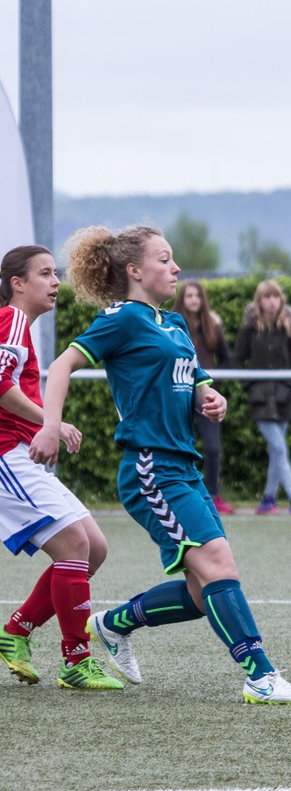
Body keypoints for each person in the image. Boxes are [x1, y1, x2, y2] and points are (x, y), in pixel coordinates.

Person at [32, 225, 291, 703]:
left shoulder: (175, 324)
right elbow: (61, 367)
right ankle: (259, 676)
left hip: (185, 467)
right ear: (135, 270)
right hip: (150, 470)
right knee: (219, 566)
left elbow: (196, 379)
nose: (176, 267)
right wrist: (50, 425)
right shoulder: (121, 319)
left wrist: (210, 396)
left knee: (205, 593)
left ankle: (113, 624)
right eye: (164, 259)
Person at [0, 245, 121, 690]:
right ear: (17, 283)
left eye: (56, 273)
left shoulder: (20, 327)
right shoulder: (12, 320)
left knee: (95, 548)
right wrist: (51, 422)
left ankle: (15, 631)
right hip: (5, 456)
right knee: (74, 545)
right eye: (46, 273)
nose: (56, 282)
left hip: (17, 453)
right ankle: (77, 661)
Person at [234, 280, 291, 515]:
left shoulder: (288, 327)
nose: (271, 301)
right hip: (260, 400)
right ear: (259, 301)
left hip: (284, 399)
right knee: (279, 448)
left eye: (275, 296)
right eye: (267, 297)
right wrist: (250, 385)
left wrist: (289, 387)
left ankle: (268, 498)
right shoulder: (249, 329)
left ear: (281, 299)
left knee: (276, 451)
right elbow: (238, 361)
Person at [176, 280, 234, 515]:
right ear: (183, 299)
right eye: (188, 296)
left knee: (212, 448)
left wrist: (214, 386)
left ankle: (213, 495)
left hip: (204, 397)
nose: (193, 300)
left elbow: (227, 359)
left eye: (196, 296)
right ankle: (182, 494)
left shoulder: (213, 327)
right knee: (179, 446)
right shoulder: (174, 326)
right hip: (178, 394)